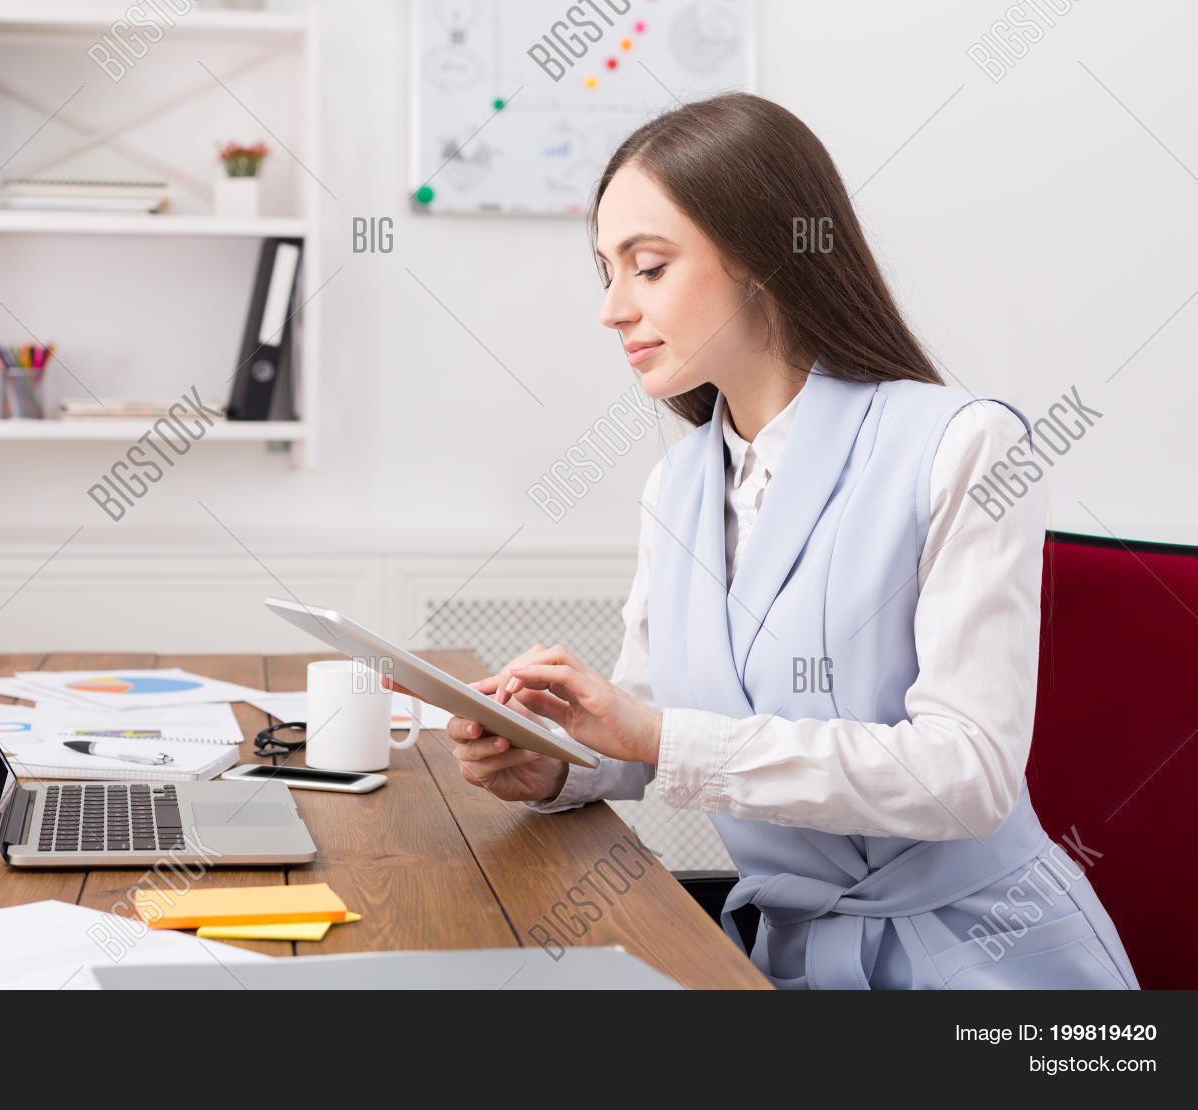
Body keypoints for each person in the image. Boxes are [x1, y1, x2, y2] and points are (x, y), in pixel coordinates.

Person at [387, 93, 1137, 990]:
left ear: (765, 259)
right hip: (781, 963)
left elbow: (967, 776)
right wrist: (550, 765)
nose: (613, 309)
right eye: (606, 272)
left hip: (987, 963)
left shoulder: (962, 445)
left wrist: (659, 735)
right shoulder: (680, 486)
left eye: (649, 267)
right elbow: (644, 724)